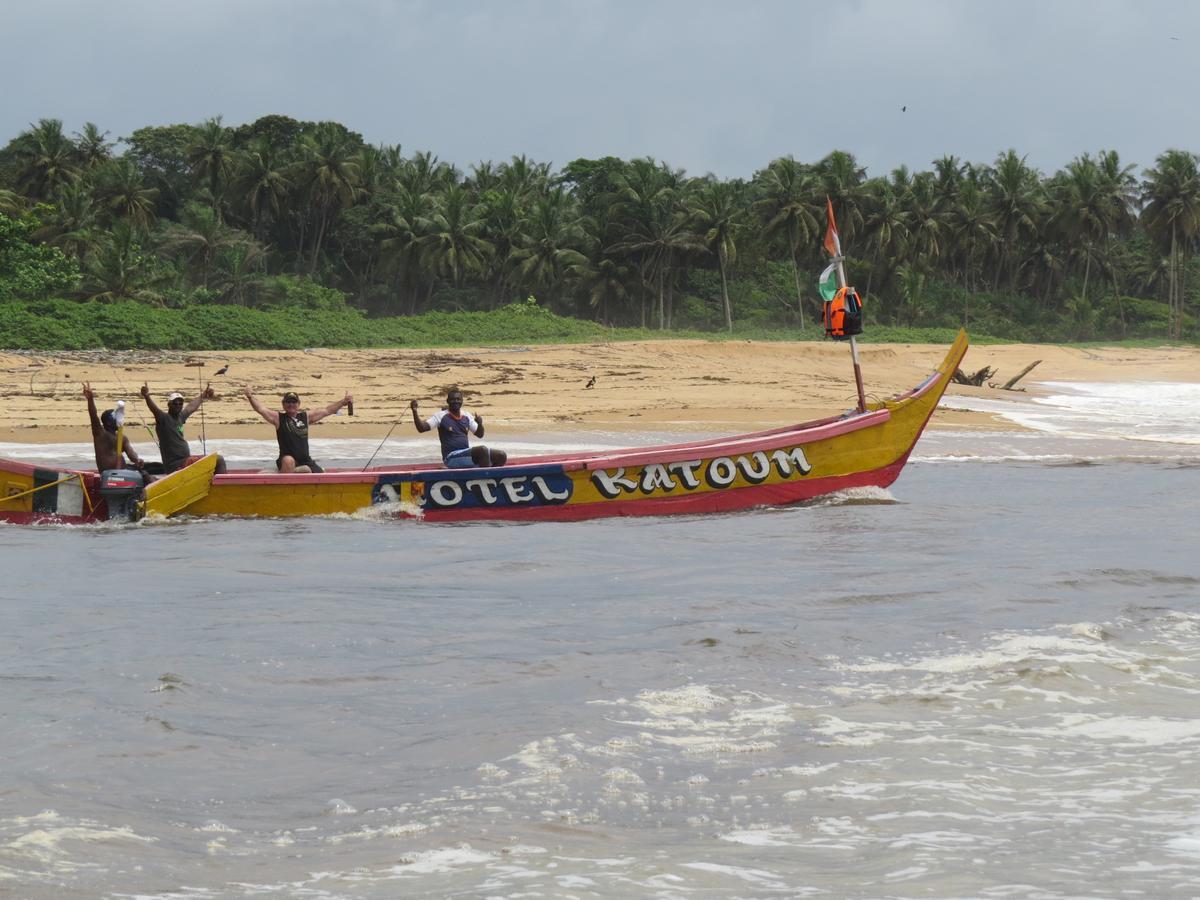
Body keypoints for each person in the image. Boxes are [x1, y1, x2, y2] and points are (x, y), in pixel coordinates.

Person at [244, 387, 352, 473]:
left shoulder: (306, 417)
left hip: (306, 460)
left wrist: (344, 401)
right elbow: (261, 409)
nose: (291, 404)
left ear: (298, 404)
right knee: (288, 460)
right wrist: (250, 397)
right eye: (288, 402)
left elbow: (327, 410)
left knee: (320, 474)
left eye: (294, 402)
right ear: (283, 404)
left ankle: (297, 473)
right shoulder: (278, 418)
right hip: (287, 461)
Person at [141, 383, 227, 475]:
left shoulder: (180, 417)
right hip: (176, 465)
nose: (178, 405)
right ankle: (223, 486)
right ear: (169, 404)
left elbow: (191, 407)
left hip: (186, 460)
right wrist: (146, 396)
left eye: (180, 403)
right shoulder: (163, 418)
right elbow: (154, 409)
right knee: (219, 459)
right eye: (175, 403)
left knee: (213, 465)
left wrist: (203, 396)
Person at [411, 387, 507, 468]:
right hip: (451, 458)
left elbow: (480, 434)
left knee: (501, 456)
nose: (456, 401)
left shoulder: (467, 416)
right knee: (482, 450)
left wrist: (480, 423)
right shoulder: (440, 416)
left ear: (462, 401)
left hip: (466, 455)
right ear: (448, 401)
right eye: (453, 399)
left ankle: (488, 477)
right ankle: (485, 478)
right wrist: (414, 411)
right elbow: (421, 428)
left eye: (458, 399)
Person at [83, 382, 147, 474]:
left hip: (123, 472)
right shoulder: (100, 435)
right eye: (115, 418)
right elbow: (93, 415)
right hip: (108, 475)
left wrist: (137, 459)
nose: (119, 419)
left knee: (147, 472)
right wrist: (90, 399)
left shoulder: (122, 438)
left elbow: (130, 452)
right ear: (108, 422)